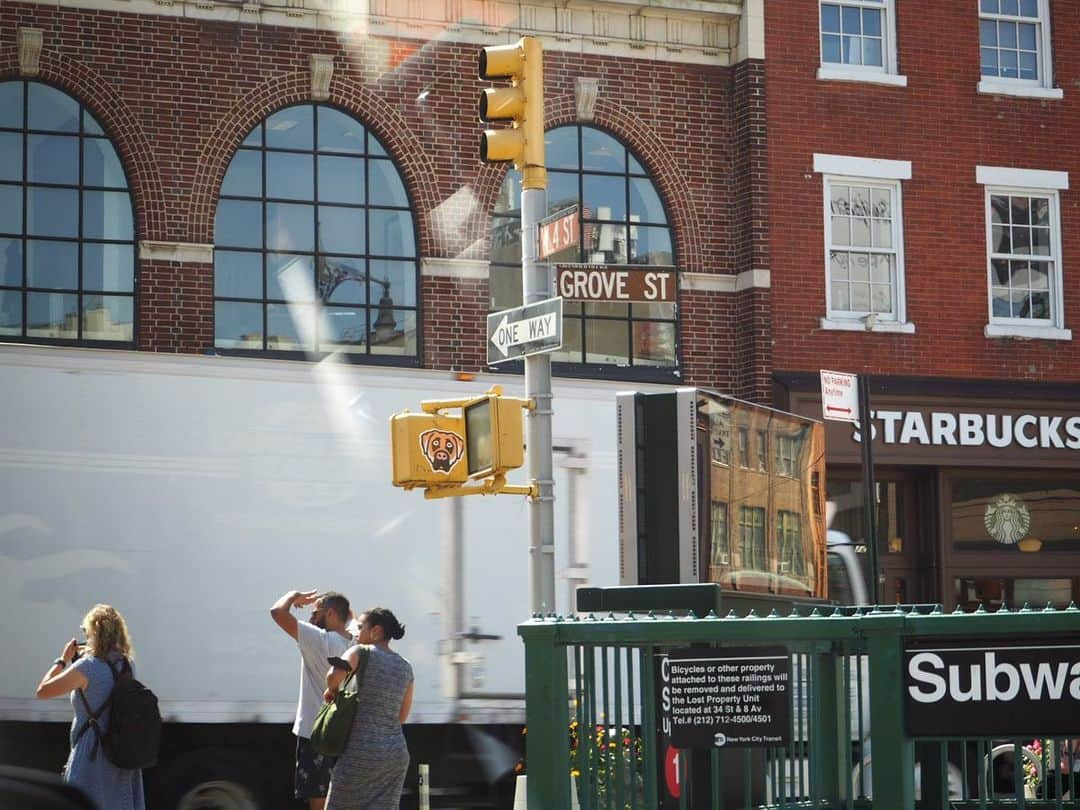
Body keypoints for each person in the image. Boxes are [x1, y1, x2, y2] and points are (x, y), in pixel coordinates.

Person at [35, 604, 145, 810]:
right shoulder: (128, 665)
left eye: (86, 632)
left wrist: (63, 660)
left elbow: (43, 691)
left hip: (92, 756)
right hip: (121, 754)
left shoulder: (87, 668)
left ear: (94, 633)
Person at [271, 590, 354, 810]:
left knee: (318, 800)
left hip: (315, 733)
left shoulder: (318, 640)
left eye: (315, 613)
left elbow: (277, 612)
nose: (310, 618)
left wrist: (292, 596)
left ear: (331, 613)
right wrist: (325, 607)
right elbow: (349, 615)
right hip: (344, 734)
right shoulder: (355, 643)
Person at [323, 607, 414, 810]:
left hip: (360, 751)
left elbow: (332, 677)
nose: (357, 632)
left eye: (361, 627)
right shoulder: (406, 666)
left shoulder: (360, 652)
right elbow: (402, 716)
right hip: (394, 757)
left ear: (376, 631)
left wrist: (333, 691)